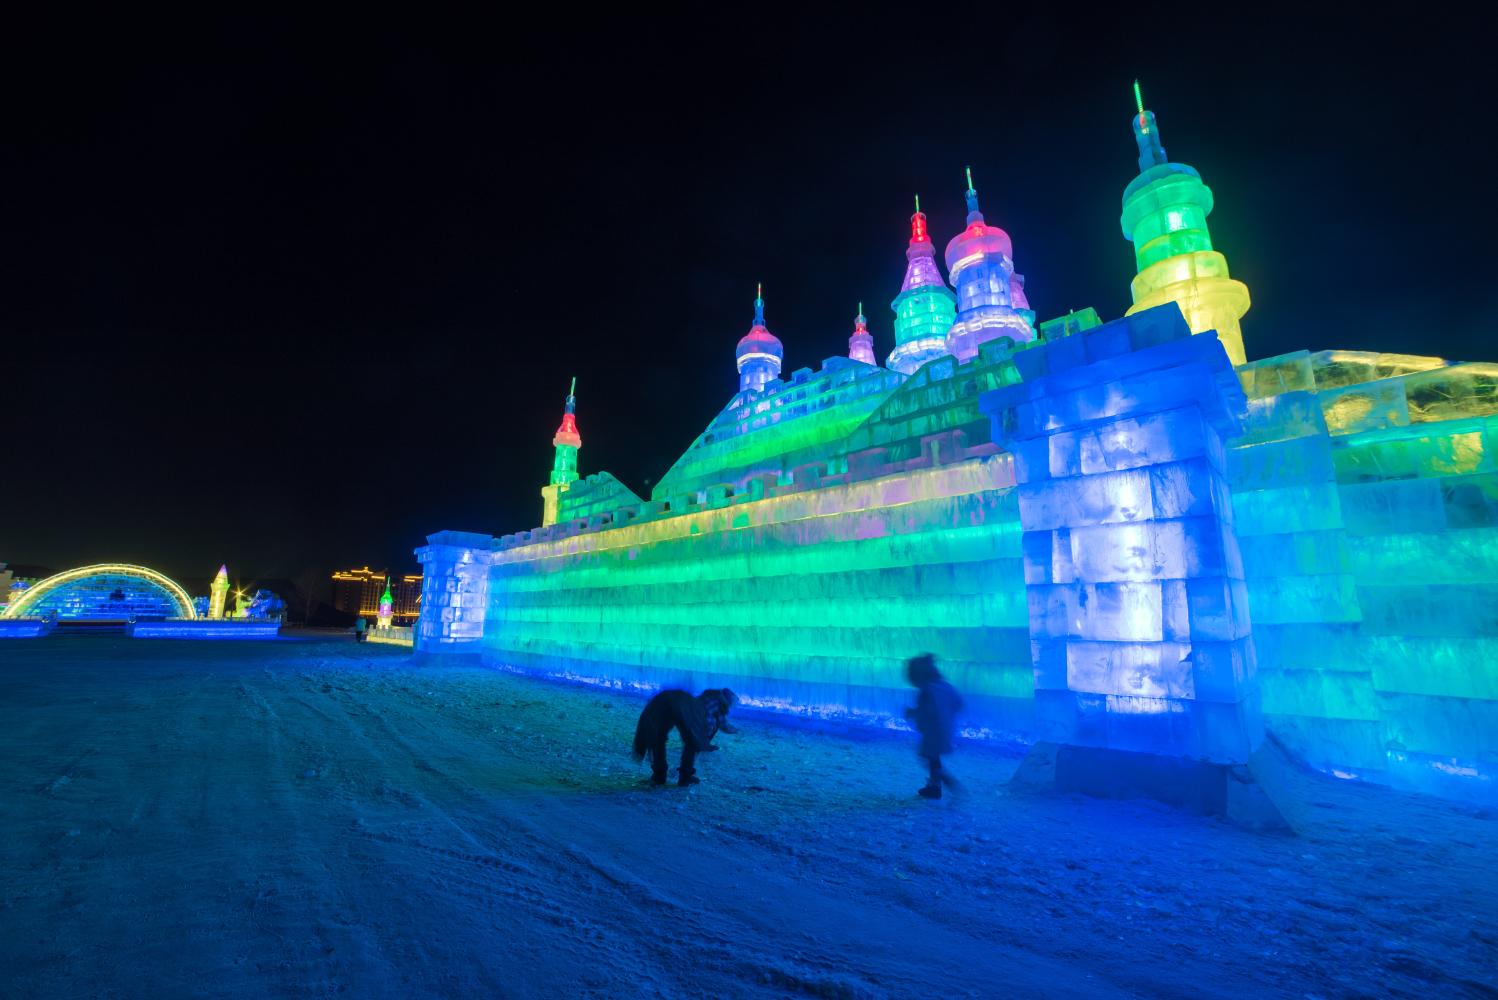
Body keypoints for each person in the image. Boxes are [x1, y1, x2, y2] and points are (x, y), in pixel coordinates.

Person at [631, 688, 739, 786]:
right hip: (674, 707)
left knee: (658, 739)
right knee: (691, 743)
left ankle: (659, 775)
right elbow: (713, 723)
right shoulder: (716, 704)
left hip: (663, 705)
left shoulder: (702, 698)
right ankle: (684, 777)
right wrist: (703, 739)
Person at [904, 653, 963, 799]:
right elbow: (958, 703)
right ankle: (934, 786)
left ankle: (943, 781)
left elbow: (925, 711)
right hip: (944, 729)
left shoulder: (926, 691)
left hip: (932, 732)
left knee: (929, 758)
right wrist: (947, 715)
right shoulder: (945, 686)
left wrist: (912, 713)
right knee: (933, 758)